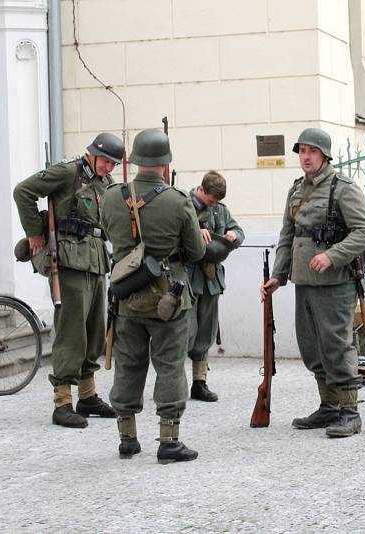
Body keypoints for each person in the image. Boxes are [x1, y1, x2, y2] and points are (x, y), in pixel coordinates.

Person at [261, 128, 365, 438]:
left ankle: (350, 412)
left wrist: (333, 255)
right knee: (311, 346)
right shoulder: (297, 189)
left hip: (335, 282)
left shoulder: (343, 188)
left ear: (325, 155)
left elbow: (363, 231)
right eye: (302, 151)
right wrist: (278, 277)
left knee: (336, 344)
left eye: (312, 151)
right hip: (304, 281)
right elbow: (288, 236)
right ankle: (329, 406)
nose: (306, 156)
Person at [101, 129, 206, 463]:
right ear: (165, 164)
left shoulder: (112, 197)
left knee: (128, 364)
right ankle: (169, 440)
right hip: (170, 297)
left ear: (132, 160)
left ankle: (127, 439)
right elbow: (197, 250)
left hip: (127, 295)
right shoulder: (177, 201)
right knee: (170, 366)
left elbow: (109, 234)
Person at [13, 132, 124, 428]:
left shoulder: (106, 183)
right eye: (106, 162)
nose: (109, 168)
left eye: (114, 164)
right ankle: (62, 401)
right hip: (70, 262)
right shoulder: (67, 171)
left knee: (94, 330)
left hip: (96, 261)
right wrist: (35, 231)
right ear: (93, 153)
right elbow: (23, 191)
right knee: (71, 331)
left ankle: (87, 396)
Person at [186, 171, 244, 402]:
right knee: (184, 332)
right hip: (188, 279)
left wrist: (233, 235)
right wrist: (194, 231)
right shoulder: (183, 204)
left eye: (217, 201)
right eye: (211, 200)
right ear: (202, 190)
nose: (214, 205)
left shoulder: (221, 210)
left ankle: (199, 383)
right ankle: (173, 383)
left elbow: (239, 231)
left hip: (211, 279)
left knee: (205, 332)